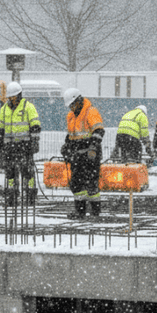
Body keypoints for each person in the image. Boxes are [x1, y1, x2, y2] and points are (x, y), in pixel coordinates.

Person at [0, 81, 41, 212]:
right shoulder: (4, 109)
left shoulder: (28, 107)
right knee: (10, 173)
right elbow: (1, 128)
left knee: (27, 172)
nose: (11, 99)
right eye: (9, 97)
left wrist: (34, 142)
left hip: (24, 146)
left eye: (13, 97)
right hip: (9, 147)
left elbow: (35, 126)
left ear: (19, 95)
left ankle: (30, 196)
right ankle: (11, 196)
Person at [61, 88, 105, 219]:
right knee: (76, 184)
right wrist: (66, 147)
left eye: (72, 105)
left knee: (91, 184)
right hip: (77, 156)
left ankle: (95, 213)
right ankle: (80, 212)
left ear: (78, 101)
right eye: (69, 106)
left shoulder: (90, 112)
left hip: (90, 155)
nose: (71, 108)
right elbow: (70, 136)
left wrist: (92, 148)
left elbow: (99, 131)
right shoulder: (71, 116)